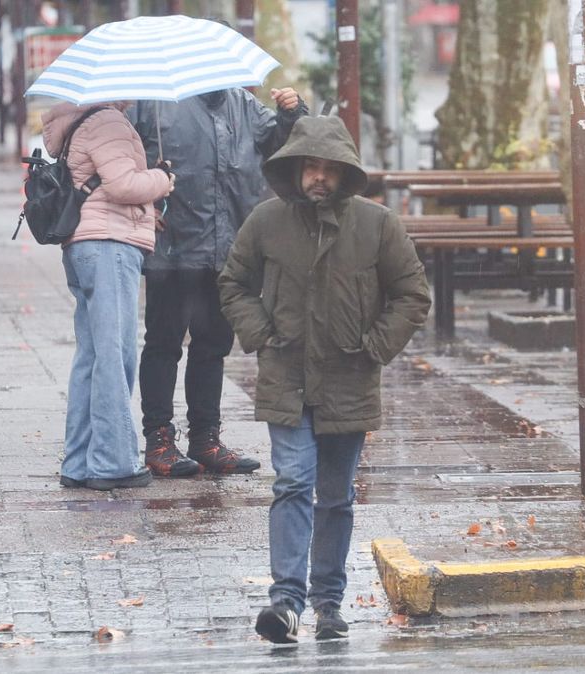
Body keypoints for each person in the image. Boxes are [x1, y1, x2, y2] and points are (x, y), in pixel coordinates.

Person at [217, 115, 430, 643]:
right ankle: (286, 602)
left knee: (335, 496)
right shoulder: (267, 220)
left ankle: (328, 604)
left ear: (344, 172)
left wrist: (374, 347)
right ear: (294, 169)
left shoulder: (377, 225)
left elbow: (412, 294)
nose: (318, 177)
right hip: (286, 376)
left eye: (329, 168)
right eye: (310, 166)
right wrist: (262, 334)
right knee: (292, 481)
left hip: (349, 379)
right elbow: (234, 283)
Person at [127, 86, 307, 478]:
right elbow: (123, 157)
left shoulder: (245, 105)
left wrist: (291, 114)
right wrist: (143, 202)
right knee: (163, 344)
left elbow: (282, 146)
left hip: (228, 250)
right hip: (173, 250)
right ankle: (159, 438)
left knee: (213, 346)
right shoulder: (155, 105)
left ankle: (205, 438)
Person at [41, 101, 176, 491]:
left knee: (93, 356)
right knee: (116, 355)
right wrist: (162, 178)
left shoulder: (82, 119)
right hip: (109, 245)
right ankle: (112, 462)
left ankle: (80, 461)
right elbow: (122, 185)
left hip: (86, 244)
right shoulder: (108, 120)